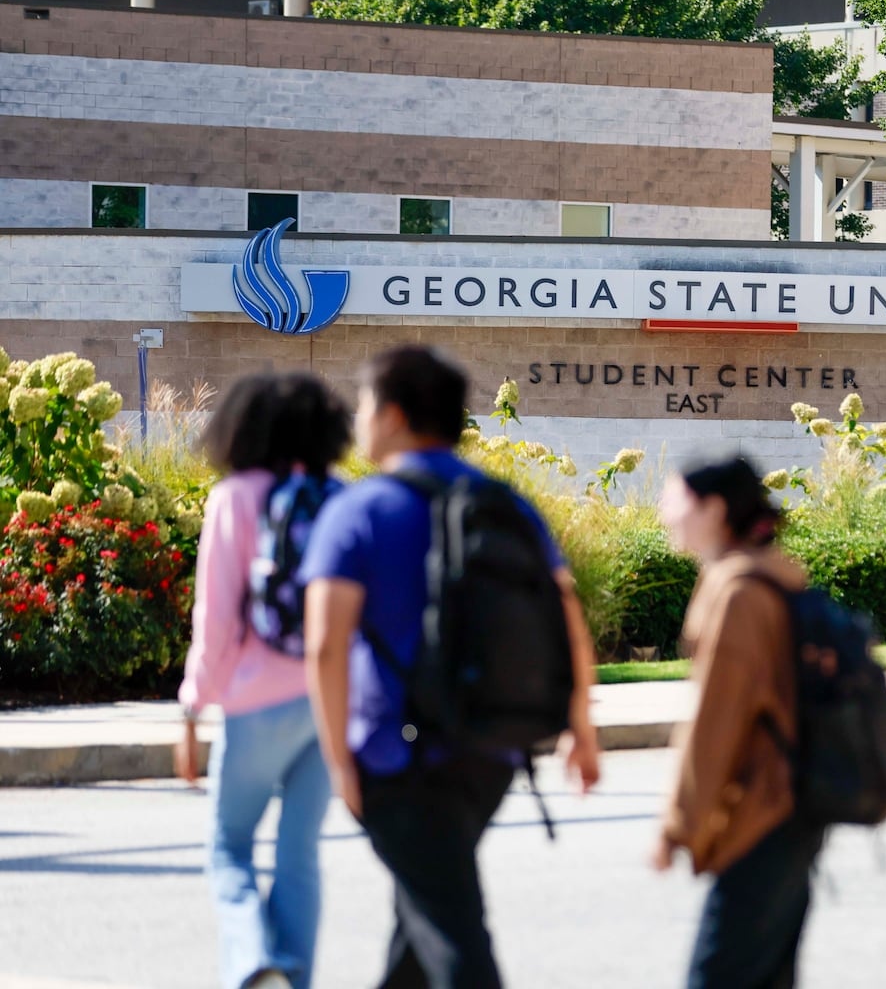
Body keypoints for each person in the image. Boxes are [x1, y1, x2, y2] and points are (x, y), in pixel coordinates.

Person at [298, 344, 601, 988]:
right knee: (426, 911)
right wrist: (581, 724)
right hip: (490, 747)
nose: (359, 415)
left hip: (395, 757)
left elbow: (325, 644)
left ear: (395, 415)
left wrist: (336, 760)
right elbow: (566, 612)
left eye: (366, 401)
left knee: (451, 929)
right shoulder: (505, 503)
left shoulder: (357, 510)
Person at [175, 372, 352, 989]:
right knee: (299, 855)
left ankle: (252, 963)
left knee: (229, 847)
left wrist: (194, 705)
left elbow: (217, 619)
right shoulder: (338, 493)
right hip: (331, 700)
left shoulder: (235, 496)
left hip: (257, 702)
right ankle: (293, 978)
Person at [653, 456, 825, 989]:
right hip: (796, 802)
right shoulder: (773, 577)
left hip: (760, 812)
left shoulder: (737, 594)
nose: (663, 513)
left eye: (674, 499)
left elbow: (714, 725)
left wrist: (678, 826)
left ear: (714, 510)